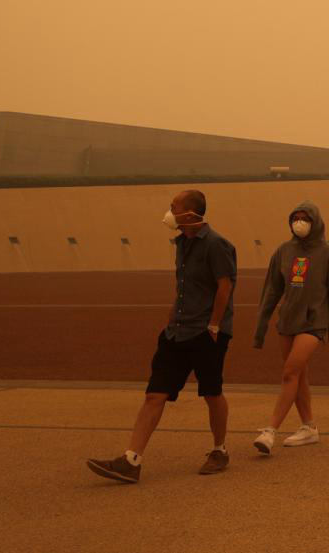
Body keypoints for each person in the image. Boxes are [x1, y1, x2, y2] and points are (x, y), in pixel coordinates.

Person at [87, 189, 237, 483]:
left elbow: (224, 287)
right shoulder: (181, 243)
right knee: (155, 394)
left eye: (174, 207)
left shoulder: (217, 245)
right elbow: (183, 287)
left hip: (206, 333)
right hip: (176, 332)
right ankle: (132, 460)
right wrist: (171, 319)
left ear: (191, 213)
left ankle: (219, 450)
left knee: (211, 392)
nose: (169, 212)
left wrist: (214, 326)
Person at [252, 201, 329, 454]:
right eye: (295, 218)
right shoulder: (283, 251)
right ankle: (309, 427)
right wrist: (261, 328)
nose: (299, 222)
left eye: (305, 218)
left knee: (289, 373)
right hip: (287, 322)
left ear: (315, 222)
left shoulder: (328, 253)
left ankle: (270, 430)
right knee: (299, 375)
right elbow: (271, 291)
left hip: (314, 323)